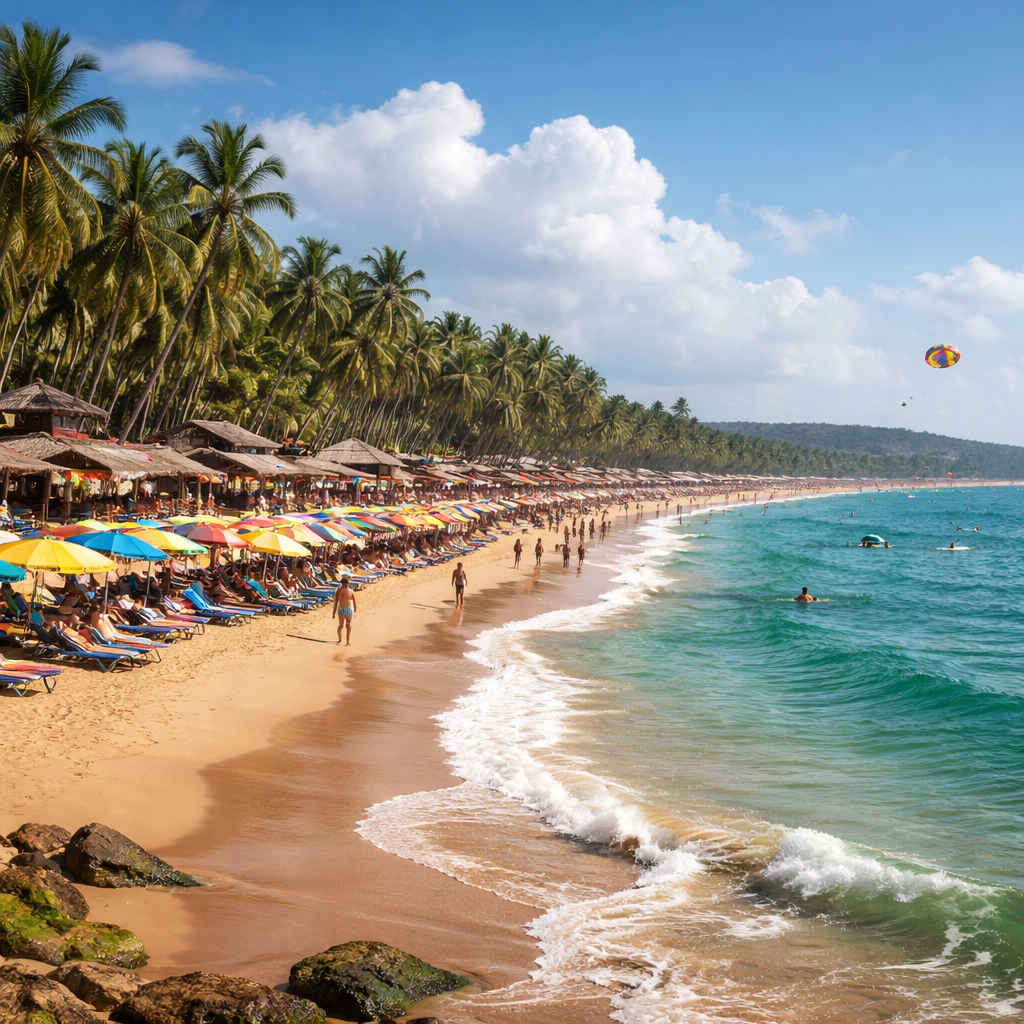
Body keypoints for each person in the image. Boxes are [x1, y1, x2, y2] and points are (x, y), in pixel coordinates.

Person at [332, 575, 357, 645]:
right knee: (342, 625)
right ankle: (341, 639)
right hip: (345, 609)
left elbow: (354, 600)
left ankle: (347, 641)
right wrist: (333, 612)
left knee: (346, 625)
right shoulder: (340, 591)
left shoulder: (348, 591)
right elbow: (336, 602)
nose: (346, 586)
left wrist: (355, 609)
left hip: (346, 610)